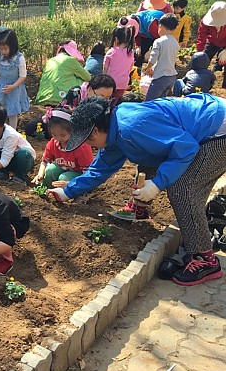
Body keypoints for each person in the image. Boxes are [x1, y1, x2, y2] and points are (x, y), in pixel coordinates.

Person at [47, 94, 226, 286]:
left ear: (96, 131)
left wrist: (157, 184)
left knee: (183, 188)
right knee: (148, 156)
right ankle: (142, 208)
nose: (91, 147)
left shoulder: (132, 127)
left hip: (218, 129)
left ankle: (205, 260)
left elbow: (186, 147)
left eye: (89, 142)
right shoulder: (115, 130)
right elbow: (101, 168)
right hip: (207, 121)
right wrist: (67, 192)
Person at [25, 74, 116, 138]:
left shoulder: (105, 104)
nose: (103, 100)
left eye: (107, 97)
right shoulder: (76, 93)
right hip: (61, 123)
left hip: (80, 132)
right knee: (32, 127)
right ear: (89, 89)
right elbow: (64, 117)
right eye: (100, 96)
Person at [33, 106, 94, 189]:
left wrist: (70, 183)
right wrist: (40, 174)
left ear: (72, 131)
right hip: (64, 168)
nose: (58, 138)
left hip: (80, 174)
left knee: (64, 177)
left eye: (62, 135)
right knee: (50, 170)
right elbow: (45, 161)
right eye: (54, 135)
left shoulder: (81, 147)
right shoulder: (54, 143)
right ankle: (45, 190)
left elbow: (88, 174)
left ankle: (70, 194)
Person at [0, 28, 30, 129]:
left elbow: (23, 75)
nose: (3, 51)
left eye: (5, 49)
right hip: (1, 87)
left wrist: (13, 86)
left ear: (13, 46)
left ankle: (12, 132)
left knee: (12, 112)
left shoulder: (19, 58)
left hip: (14, 88)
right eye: (1, 49)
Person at [35, 40, 91, 106]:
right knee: (84, 82)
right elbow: (88, 77)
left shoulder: (50, 61)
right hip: (60, 99)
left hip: (42, 98)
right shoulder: (70, 60)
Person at [145, 13, 179, 101]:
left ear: (161, 26)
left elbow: (153, 58)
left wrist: (148, 68)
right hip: (171, 77)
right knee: (160, 102)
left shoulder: (159, 41)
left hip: (160, 77)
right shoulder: (175, 42)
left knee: (149, 101)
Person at [197, 1, 226, 90]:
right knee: (203, 60)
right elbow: (201, 37)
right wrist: (199, 53)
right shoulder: (204, 22)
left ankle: (224, 89)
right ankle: (201, 83)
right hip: (212, 42)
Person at [104, 21, 136, 100]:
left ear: (116, 39)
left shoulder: (112, 51)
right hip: (123, 83)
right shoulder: (130, 52)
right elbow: (130, 67)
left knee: (107, 101)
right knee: (116, 101)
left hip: (110, 83)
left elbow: (105, 68)